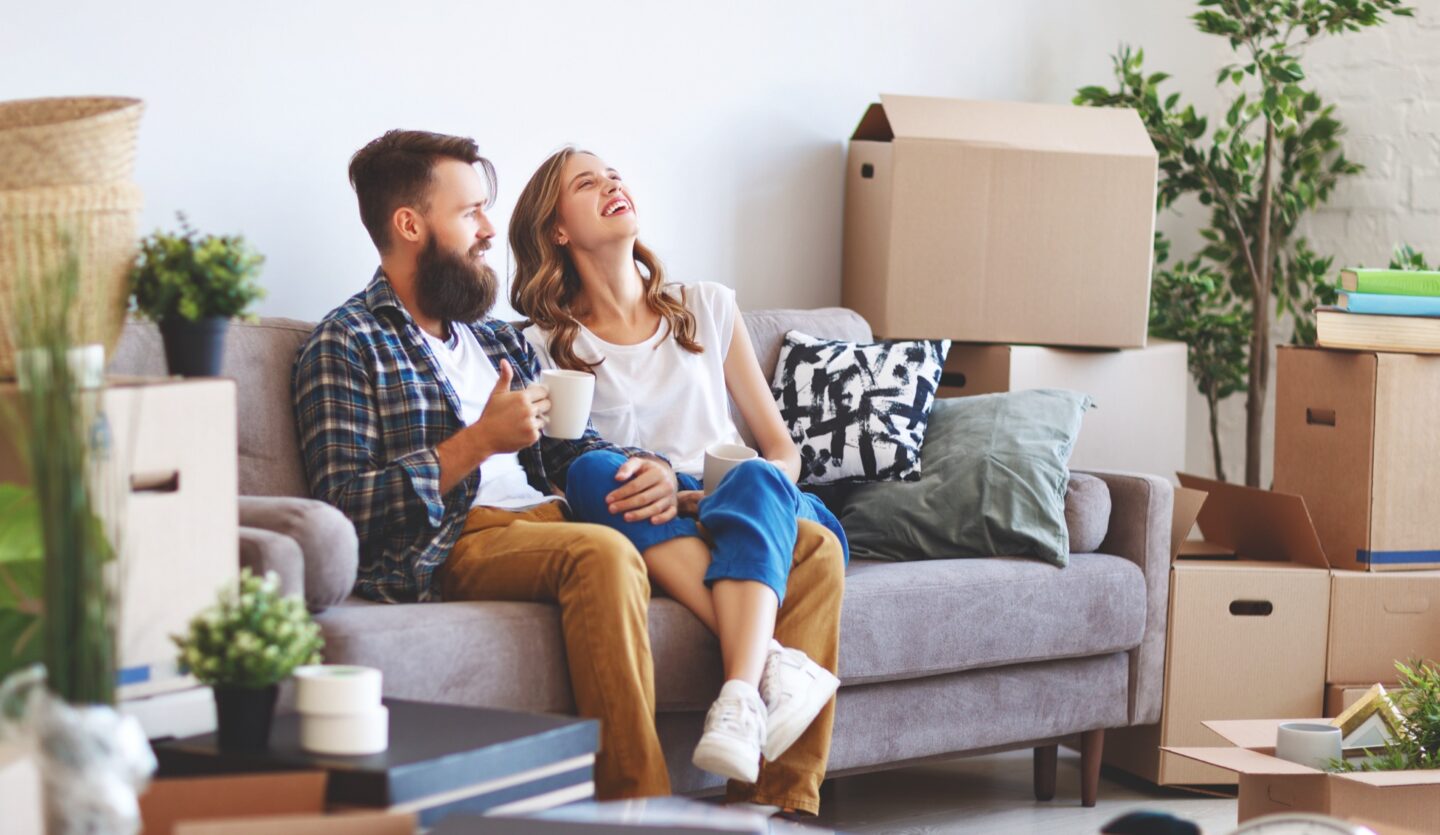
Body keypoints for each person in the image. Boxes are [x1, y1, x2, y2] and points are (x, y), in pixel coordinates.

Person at [292, 130, 683, 800]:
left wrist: (650, 471)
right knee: (603, 554)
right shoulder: (346, 342)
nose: (487, 228)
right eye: (470, 210)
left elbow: (570, 445)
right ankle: (641, 809)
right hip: (457, 539)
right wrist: (477, 442)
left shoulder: (497, 337)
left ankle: (771, 801)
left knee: (779, 541)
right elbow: (345, 512)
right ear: (410, 225)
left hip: (552, 518)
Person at [510, 146, 848, 817]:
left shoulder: (707, 307)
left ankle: (761, 776)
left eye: (614, 174)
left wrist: (697, 488)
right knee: (591, 471)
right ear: (557, 230)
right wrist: (658, 483)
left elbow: (783, 454)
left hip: (741, 501)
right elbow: (557, 469)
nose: (612, 183)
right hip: (645, 518)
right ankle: (767, 670)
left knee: (763, 485)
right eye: (587, 182)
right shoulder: (544, 344)